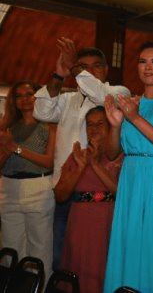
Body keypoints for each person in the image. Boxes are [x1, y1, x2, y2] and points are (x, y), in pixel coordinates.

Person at [34, 39, 130, 269]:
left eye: (94, 66)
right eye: (82, 66)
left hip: (102, 195)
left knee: (100, 262)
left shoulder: (118, 92)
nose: (86, 71)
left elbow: (101, 97)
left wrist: (76, 68)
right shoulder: (68, 99)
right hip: (65, 189)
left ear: (105, 70)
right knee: (62, 259)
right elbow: (42, 111)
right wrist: (59, 73)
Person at [103, 42, 153, 293]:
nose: (148, 67)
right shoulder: (130, 103)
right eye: (142, 62)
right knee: (130, 243)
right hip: (131, 181)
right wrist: (116, 124)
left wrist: (135, 118)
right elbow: (113, 152)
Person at [54, 106, 123, 293]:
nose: (94, 129)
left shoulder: (122, 156)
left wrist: (94, 164)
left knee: (103, 271)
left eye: (100, 123)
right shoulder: (77, 156)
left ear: (111, 126)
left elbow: (120, 192)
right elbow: (60, 195)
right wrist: (80, 166)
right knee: (77, 269)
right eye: (90, 125)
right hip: (79, 221)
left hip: (107, 221)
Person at [0, 80, 56, 274]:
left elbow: (49, 161)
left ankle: (39, 287)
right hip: (8, 188)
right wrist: (7, 147)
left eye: (29, 94)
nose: (24, 99)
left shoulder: (49, 125)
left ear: (37, 96)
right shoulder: (7, 126)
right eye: (19, 96)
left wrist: (15, 147)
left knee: (39, 248)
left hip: (38, 186)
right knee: (10, 250)